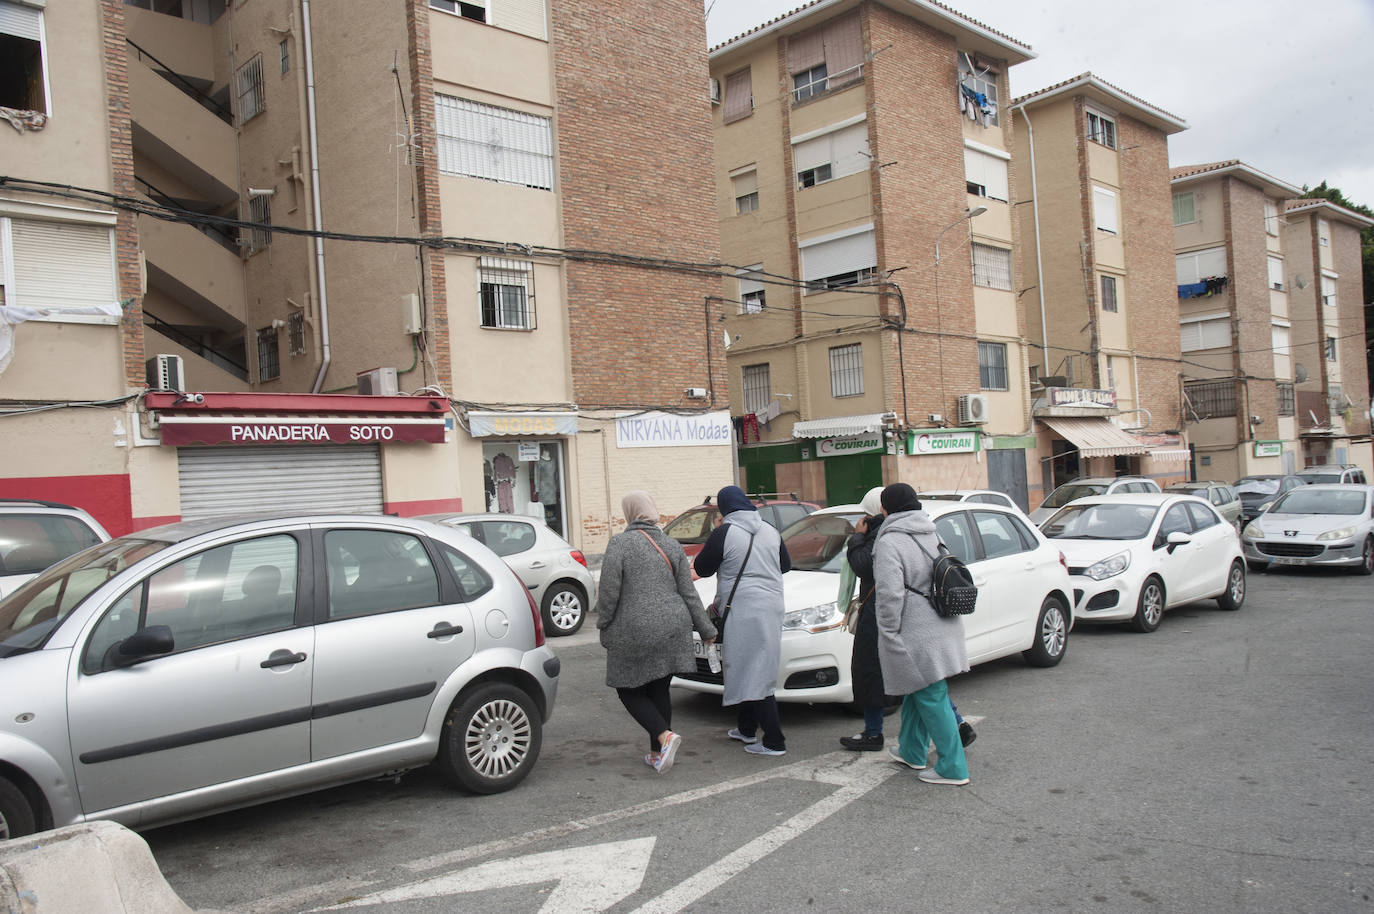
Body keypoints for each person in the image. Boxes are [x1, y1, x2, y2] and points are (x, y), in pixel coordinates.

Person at [839, 489, 977, 752]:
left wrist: (857, 537)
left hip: (896, 619)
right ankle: (922, 744)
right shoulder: (928, 530)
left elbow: (872, 574)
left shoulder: (886, 537)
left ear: (882, 509)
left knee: (884, 675)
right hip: (933, 618)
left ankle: (949, 757)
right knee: (927, 683)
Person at [596, 490, 717, 774]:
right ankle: (657, 753)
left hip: (635, 628)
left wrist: (603, 622)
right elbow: (689, 593)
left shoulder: (620, 544)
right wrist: (706, 628)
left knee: (627, 689)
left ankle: (664, 736)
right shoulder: (671, 545)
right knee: (659, 687)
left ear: (629, 512)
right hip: (673, 626)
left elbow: (609, 592)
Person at [872, 483, 971, 785]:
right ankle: (912, 750)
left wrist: (887, 630)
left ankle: (953, 767)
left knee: (930, 694)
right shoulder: (931, 531)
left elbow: (889, 594)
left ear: (886, 509)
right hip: (943, 621)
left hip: (915, 630)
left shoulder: (890, 542)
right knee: (917, 688)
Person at [693, 485, 791, 756]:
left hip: (743, 609)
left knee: (754, 670)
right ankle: (746, 728)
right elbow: (785, 565)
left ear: (724, 508)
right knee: (753, 665)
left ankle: (774, 740)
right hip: (772, 606)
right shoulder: (770, 530)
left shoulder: (725, 531)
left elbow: (702, 568)